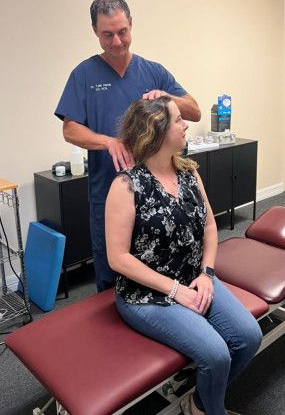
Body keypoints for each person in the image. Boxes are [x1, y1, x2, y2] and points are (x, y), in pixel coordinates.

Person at [105, 96, 262, 415]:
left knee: (249, 337)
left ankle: (200, 404)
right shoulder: (126, 186)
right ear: (157, 131)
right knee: (216, 354)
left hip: (195, 280)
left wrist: (207, 274)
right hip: (146, 296)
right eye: (178, 120)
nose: (186, 124)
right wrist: (174, 290)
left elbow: (209, 227)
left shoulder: (189, 172)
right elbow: (117, 258)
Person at [55, 0, 201, 292]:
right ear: (95, 31)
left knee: (165, 265)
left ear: (131, 25)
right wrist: (108, 142)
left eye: (122, 32)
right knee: (112, 275)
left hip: (157, 194)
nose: (117, 41)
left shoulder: (153, 71)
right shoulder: (83, 75)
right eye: (107, 34)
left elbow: (194, 111)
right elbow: (70, 130)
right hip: (110, 191)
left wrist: (166, 96)